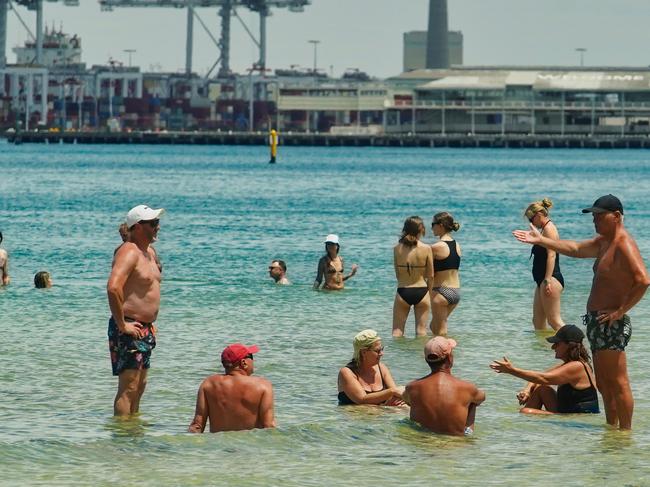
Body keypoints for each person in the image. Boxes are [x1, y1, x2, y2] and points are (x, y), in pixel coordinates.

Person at [513, 194, 649, 430]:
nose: (594, 220)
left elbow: (643, 280)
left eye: (599, 216)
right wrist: (542, 240)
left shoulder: (623, 243)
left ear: (616, 216)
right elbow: (575, 248)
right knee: (604, 384)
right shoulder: (604, 241)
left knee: (617, 381)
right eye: (593, 216)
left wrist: (620, 311)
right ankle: (611, 429)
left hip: (610, 323)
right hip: (597, 321)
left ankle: (624, 432)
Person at [107, 204, 165, 416]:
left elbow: (146, 289)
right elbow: (113, 287)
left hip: (144, 328)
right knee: (129, 387)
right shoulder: (129, 252)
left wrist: (149, 323)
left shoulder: (148, 252)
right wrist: (122, 324)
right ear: (138, 227)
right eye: (153, 223)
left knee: (140, 386)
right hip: (129, 327)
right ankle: (123, 440)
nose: (158, 227)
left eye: (157, 222)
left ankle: (133, 434)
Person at [490, 325, 599, 415]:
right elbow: (541, 377)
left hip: (579, 417)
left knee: (525, 411)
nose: (553, 347)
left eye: (557, 343)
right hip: (569, 412)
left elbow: (543, 378)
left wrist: (511, 370)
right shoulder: (571, 364)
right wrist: (527, 390)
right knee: (542, 389)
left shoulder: (576, 367)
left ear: (569, 345)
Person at [403, 337, 485, 436]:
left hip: (423, 442)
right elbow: (482, 397)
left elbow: (406, 400)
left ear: (426, 360)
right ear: (450, 358)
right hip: (454, 444)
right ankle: (467, 433)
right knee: (472, 403)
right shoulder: (468, 388)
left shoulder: (412, 387)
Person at [188, 343, 276, 433]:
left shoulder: (208, 384)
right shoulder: (262, 386)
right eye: (251, 357)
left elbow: (197, 426)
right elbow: (269, 426)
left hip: (218, 445)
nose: (253, 361)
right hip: (250, 445)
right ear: (243, 363)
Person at [523, 198, 565, 331]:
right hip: (542, 280)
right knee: (538, 321)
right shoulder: (543, 231)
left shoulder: (549, 229)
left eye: (531, 219)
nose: (531, 223)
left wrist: (547, 280)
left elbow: (551, 255)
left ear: (539, 215)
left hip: (550, 278)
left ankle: (576, 346)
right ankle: (543, 351)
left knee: (554, 321)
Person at [337, 329, 404, 406]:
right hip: (355, 414)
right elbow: (362, 400)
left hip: (380, 413)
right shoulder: (347, 372)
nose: (382, 353)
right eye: (377, 351)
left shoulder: (381, 368)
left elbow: (396, 396)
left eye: (382, 349)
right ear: (364, 352)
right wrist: (392, 392)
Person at [392, 216, 433, 337]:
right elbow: (430, 275)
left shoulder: (397, 248)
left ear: (405, 229)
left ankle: (397, 355)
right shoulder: (427, 248)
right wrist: (429, 295)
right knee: (421, 332)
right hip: (422, 290)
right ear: (421, 230)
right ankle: (420, 355)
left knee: (397, 332)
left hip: (403, 290)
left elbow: (397, 274)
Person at [430, 212, 462, 336]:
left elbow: (430, 273)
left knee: (441, 331)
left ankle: (445, 353)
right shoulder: (457, 245)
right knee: (434, 326)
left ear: (441, 225)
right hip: (456, 292)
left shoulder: (436, 247)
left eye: (433, 224)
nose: (431, 228)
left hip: (441, 291)